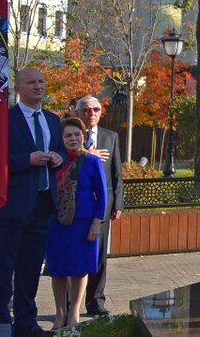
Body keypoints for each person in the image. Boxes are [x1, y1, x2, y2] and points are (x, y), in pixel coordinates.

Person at [0, 67, 65, 336]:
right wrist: (26, 161)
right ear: (18, 88)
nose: (38, 86)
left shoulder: (53, 120)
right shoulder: (5, 120)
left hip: (42, 205)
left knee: (30, 268)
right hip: (11, 206)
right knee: (3, 266)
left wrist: (58, 158)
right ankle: (0, 322)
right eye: (31, 82)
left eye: (41, 81)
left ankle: (26, 323)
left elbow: (63, 152)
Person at [46, 116, 108, 330]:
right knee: (58, 269)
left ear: (83, 136)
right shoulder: (56, 161)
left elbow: (102, 194)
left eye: (76, 134)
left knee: (79, 269)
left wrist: (95, 223)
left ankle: (74, 314)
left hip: (83, 223)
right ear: (61, 138)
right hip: (57, 223)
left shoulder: (92, 160)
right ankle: (60, 314)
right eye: (68, 135)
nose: (73, 138)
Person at [74, 95, 124, 317]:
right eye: (86, 110)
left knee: (98, 257)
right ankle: (70, 304)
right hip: (76, 207)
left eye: (95, 109)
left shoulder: (110, 136)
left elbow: (117, 174)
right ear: (77, 113)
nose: (91, 114)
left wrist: (119, 203)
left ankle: (95, 302)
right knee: (75, 254)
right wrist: (86, 154)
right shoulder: (70, 135)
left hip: (103, 206)